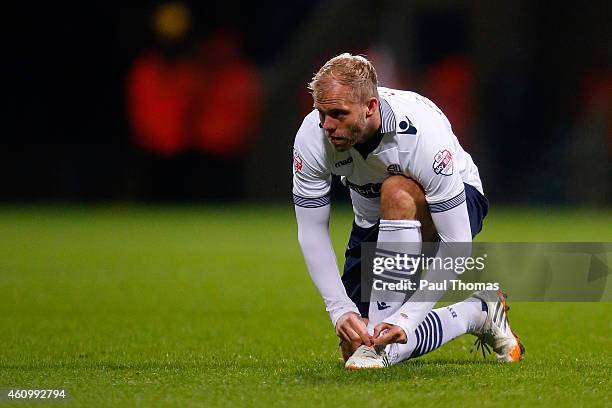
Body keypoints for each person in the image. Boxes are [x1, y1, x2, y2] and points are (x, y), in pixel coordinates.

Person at [292, 53, 524, 369]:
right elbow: (312, 229)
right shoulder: (312, 137)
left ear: (370, 108)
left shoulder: (422, 135)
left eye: (338, 114)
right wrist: (340, 309)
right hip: (373, 222)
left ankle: (386, 342)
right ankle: (477, 312)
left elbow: (458, 242)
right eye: (321, 114)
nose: (327, 126)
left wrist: (408, 316)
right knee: (357, 343)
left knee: (396, 191)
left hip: (455, 206)